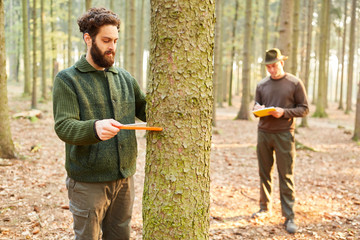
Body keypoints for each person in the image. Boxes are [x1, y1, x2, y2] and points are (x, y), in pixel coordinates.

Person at [52, 7, 146, 240]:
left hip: (124, 179)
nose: (112, 46)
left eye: (115, 40)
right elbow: (64, 126)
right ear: (88, 38)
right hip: (87, 182)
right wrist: (94, 128)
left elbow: (147, 109)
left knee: (120, 235)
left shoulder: (124, 77)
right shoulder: (68, 79)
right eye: (106, 40)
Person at [251, 48, 309, 234]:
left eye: (274, 66)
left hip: (284, 134)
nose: (271, 70)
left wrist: (284, 112)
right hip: (263, 133)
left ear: (281, 63)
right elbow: (256, 106)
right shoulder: (261, 85)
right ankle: (264, 207)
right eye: (268, 67)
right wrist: (257, 108)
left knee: (285, 175)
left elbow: (304, 109)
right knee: (264, 172)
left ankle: (289, 216)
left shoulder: (294, 83)